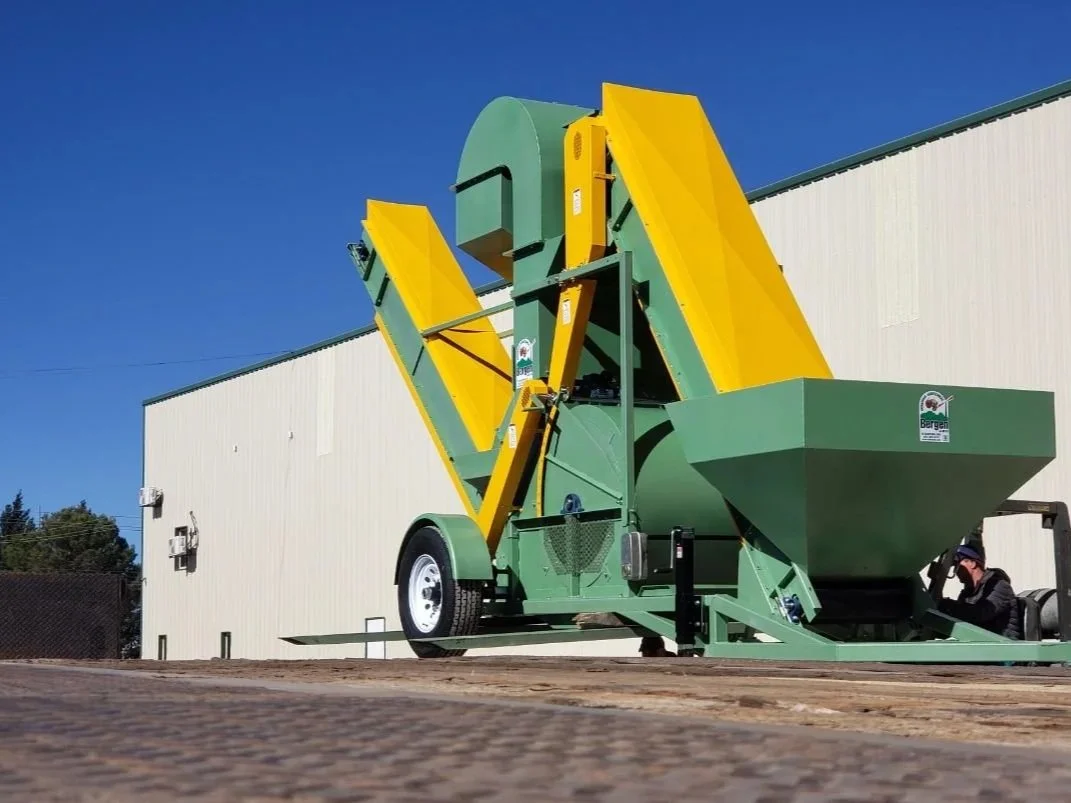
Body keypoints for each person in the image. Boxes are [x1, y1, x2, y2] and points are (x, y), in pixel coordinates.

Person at [937, 544, 1022, 640]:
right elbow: (959, 618)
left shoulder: (999, 586)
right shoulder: (968, 592)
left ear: (972, 563)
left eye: (957, 564)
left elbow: (980, 614)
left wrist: (945, 604)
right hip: (982, 644)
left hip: (1004, 646)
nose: (956, 571)